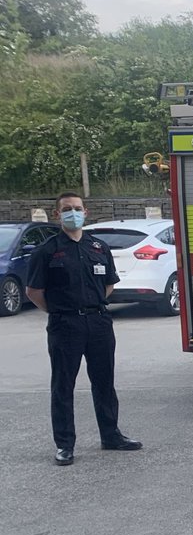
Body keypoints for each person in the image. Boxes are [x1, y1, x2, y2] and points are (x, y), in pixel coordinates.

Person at [26, 192, 142, 466]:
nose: (73, 213)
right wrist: (59, 311)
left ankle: (111, 435)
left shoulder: (98, 248)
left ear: (86, 213)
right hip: (65, 324)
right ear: (58, 215)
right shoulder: (47, 250)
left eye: (77, 208)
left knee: (104, 382)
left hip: (99, 322)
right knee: (63, 385)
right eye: (67, 209)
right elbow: (33, 291)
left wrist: (91, 306)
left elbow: (109, 284)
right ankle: (65, 445)